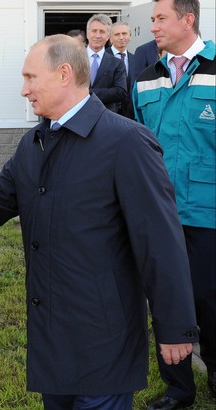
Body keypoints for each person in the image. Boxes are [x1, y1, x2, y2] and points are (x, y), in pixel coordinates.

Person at [0, 34, 199, 410]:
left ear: (63, 74)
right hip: (53, 337)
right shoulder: (34, 143)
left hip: (105, 340)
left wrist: (175, 328)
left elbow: (161, 244)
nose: (23, 90)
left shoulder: (127, 143)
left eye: (29, 78)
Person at [133, 0, 216, 408]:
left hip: (208, 212)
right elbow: (141, 148)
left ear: (188, 20)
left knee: (209, 299)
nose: (152, 27)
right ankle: (179, 388)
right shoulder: (145, 80)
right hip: (159, 213)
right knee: (164, 297)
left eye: (160, 18)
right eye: (151, 19)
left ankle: (214, 371)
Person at [85, 14, 127, 113]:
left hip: (105, 116)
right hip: (78, 116)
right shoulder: (75, 58)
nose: (98, 35)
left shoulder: (117, 63)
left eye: (102, 32)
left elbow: (121, 92)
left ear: (108, 36)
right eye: (94, 31)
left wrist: (87, 93)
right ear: (87, 33)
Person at [106, 21, 136, 119]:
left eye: (124, 33)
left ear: (130, 36)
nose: (121, 37)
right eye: (117, 34)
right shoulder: (103, 58)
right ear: (110, 38)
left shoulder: (136, 59)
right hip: (108, 112)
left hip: (131, 114)